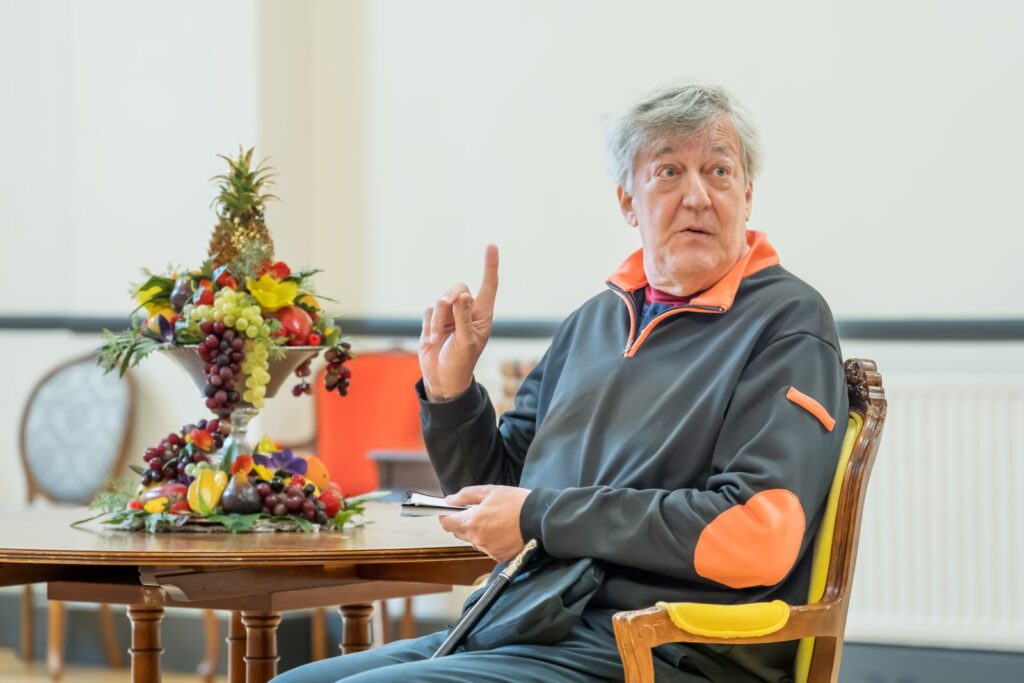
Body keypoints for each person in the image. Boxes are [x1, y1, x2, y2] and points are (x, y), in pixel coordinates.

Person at [274, 83, 849, 682]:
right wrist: (452, 395)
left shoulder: (787, 321)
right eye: (669, 172)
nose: (698, 196)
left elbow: (757, 535)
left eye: (719, 171)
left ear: (748, 195)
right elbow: (501, 495)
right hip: (529, 623)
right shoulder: (591, 324)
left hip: (668, 647)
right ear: (628, 201)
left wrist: (542, 516)